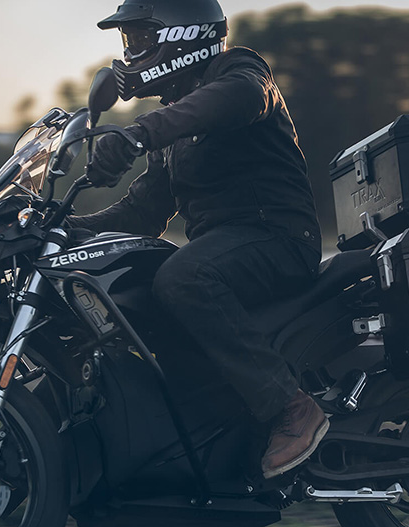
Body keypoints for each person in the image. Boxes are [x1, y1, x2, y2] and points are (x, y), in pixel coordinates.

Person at [68, 0, 327, 479]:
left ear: (182, 37)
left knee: (183, 277)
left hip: (278, 238)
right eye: (129, 40)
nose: (130, 52)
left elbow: (239, 97)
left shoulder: (239, 72)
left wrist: (137, 135)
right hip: (225, 249)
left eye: (140, 38)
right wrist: (65, 228)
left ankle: (291, 407)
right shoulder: (173, 124)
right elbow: (142, 214)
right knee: (142, 284)